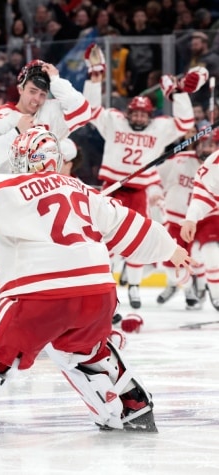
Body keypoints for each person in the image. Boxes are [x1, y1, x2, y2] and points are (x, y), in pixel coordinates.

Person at [0, 127, 192, 445]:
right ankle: (133, 406)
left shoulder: (7, 187)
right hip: (98, 294)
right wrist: (171, 249)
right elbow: (131, 226)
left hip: (37, 294)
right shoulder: (83, 190)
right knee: (86, 351)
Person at [0, 59, 92, 347]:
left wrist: (57, 80)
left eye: (43, 94)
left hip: (36, 210)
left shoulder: (52, 111)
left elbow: (83, 111)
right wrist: (15, 132)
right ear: (20, 87)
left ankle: (27, 342)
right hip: (0, 207)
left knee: (34, 281)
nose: (37, 99)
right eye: (32, 91)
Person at [84, 43, 202, 309]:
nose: (138, 116)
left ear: (150, 114)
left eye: (142, 113)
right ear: (128, 112)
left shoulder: (160, 127)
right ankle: (104, 286)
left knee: (137, 236)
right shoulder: (114, 120)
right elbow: (90, 111)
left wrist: (178, 94)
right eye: (134, 112)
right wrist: (95, 77)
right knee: (102, 240)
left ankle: (134, 286)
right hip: (111, 188)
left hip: (139, 191)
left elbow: (185, 124)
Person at [155, 128, 211, 309]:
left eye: (212, 145)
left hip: (203, 222)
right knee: (172, 263)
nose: (208, 149)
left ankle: (198, 290)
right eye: (205, 145)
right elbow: (155, 178)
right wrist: (155, 192)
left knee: (202, 255)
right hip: (176, 220)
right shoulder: (179, 160)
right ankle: (183, 286)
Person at [181, 129, 219, 310]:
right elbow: (202, 196)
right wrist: (190, 219)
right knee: (205, 254)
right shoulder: (212, 165)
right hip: (208, 216)